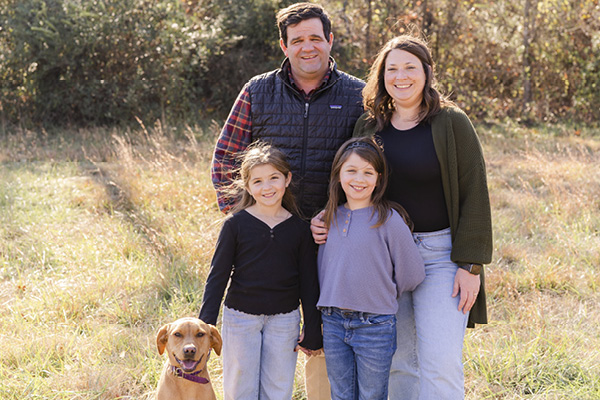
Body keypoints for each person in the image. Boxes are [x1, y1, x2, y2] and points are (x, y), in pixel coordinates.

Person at [312, 35, 493, 399]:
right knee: (396, 362)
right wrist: (328, 216)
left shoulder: (451, 123)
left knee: (440, 361)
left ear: (426, 73)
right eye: (391, 68)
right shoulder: (369, 125)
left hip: (441, 254)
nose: (401, 76)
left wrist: (471, 264)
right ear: (381, 76)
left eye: (410, 67)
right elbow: (352, 179)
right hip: (380, 256)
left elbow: (475, 190)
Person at [210, 3, 365, 398]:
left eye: (316, 37)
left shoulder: (357, 95)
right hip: (270, 239)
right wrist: (252, 222)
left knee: (324, 334)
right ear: (284, 45)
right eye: (297, 40)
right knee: (267, 332)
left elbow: (373, 166)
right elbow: (226, 160)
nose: (307, 47)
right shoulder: (257, 91)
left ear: (330, 40)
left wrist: (339, 217)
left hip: (333, 237)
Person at [199, 142, 322, 400]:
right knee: (240, 387)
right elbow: (217, 276)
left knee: (278, 388)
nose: (267, 187)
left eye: (274, 178)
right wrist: (206, 325)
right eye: (258, 181)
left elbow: (309, 283)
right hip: (241, 318)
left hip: (284, 321)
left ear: (287, 179)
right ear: (247, 185)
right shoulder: (235, 225)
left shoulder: (299, 229)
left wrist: (312, 326)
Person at [317, 137, 425, 400]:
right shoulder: (328, 218)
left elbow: (412, 274)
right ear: (338, 174)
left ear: (379, 178)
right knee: (341, 395)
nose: (359, 179)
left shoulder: (388, 219)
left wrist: (379, 292)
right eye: (351, 171)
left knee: (372, 395)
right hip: (333, 323)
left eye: (368, 172)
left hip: (374, 325)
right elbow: (323, 270)